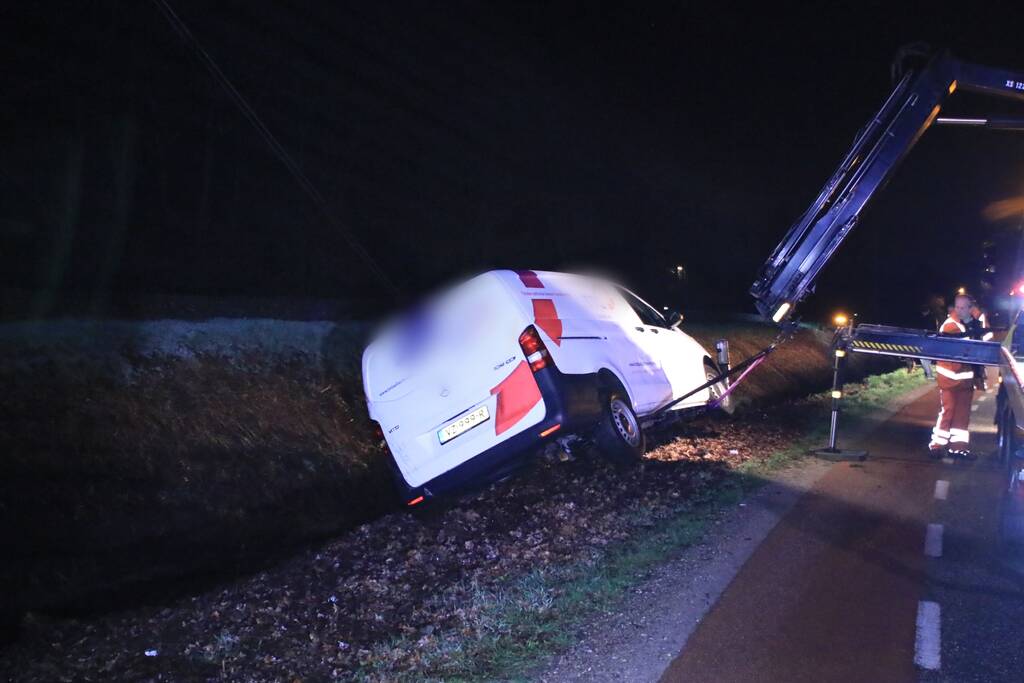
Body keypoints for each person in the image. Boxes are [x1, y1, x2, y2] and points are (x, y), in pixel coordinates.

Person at [928, 294, 977, 459]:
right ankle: (937, 446)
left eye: (964, 307)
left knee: (961, 416)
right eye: (958, 307)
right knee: (948, 412)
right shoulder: (952, 326)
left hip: (963, 380)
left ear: (970, 308)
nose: (960, 310)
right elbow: (968, 349)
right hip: (951, 379)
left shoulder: (967, 323)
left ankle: (958, 448)